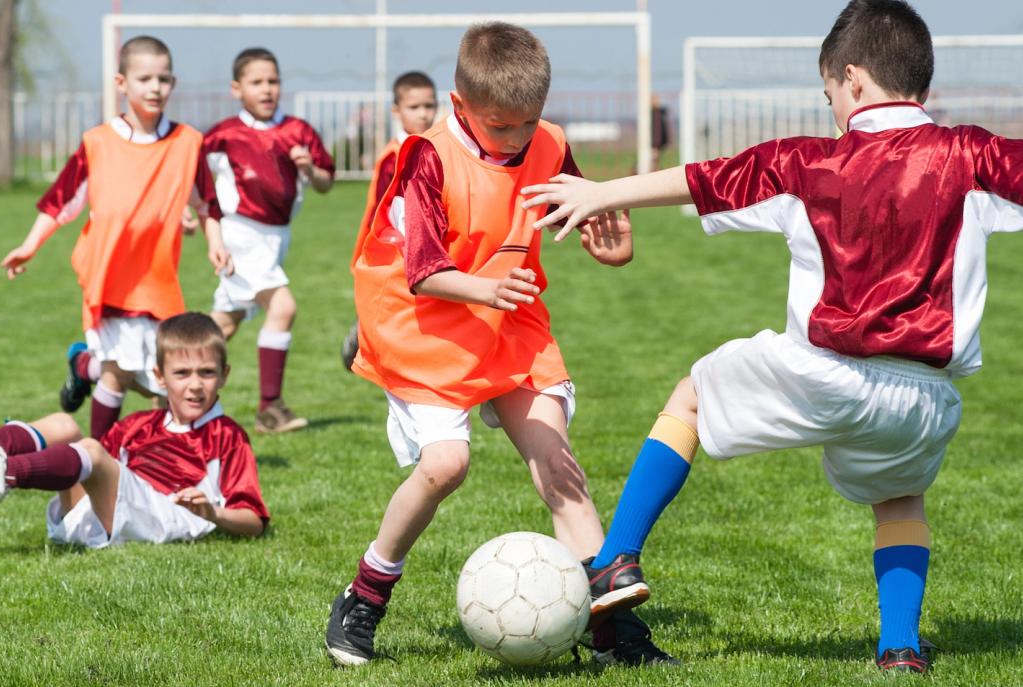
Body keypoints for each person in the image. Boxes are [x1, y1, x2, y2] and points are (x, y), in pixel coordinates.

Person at [521, 0, 1023, 673]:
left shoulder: (807, 163)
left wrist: (604, 193)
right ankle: (898, 645)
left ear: (854, 79)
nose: (832, 108)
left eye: (830, 94)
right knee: (900, 498)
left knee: (692, 395)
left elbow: (703, 181)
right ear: (920, 83)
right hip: (925, 398)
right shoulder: (972, 154)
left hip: (825, 371)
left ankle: (613, 561)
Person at [325, 22, 675, 668]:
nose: (517, 139)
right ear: (460, 107)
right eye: (499, 126)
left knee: (558, 463)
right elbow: (425, 270)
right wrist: (485, 291)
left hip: (509, 319)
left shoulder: (548, 143)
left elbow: (584, 212)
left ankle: (612, 632)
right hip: (424, 327)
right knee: (445, 465)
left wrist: (614, 248)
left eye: (527, 124)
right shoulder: (427, 158)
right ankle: (365, 594)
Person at [0, 36, 227, 441]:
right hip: (106, 275)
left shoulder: (188, 143)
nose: (155, 87)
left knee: (159, 379)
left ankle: (89, 376)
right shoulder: (98, 142)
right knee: (118, 375)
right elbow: (61, 202)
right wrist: (29, 246)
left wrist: (216, 242)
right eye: (144, 78)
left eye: (164, 78)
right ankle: (98, 458)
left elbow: (208, 203)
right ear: (122, 83)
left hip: (157, 280)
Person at [0, 312, 269, 547]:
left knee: (92, 450)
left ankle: (4, 474)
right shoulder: (139, 424)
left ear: (224, 375)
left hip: (165, 516)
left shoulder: (227, 435)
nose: (195, 384)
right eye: (182, 373)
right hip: (106, 514)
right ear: (160, 376)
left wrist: (213, 513)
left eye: (206, 372)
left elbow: (254, 522)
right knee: (64, 425)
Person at [202, 47, 336, 433]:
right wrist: (194, 217)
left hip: (277, 237)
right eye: (256, 82)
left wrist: (309, 170)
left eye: (272, 81)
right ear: (236, 88)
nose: (266, 89)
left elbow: (327, 183)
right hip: (240, 234)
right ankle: (269, 408)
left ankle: (164, 376)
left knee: (224, 325)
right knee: (283, 307)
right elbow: (193, 177)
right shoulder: (224, 134)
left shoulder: (298, 131)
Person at [341, 71, 439, 372]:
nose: (423, 114)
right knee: (399, 318)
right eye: (414, 107)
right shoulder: (394, 156)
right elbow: (383, 214)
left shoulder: (436, 148)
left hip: (423, 247)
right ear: (396, 111)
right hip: (391, 251)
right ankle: (362, 335)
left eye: (429, 105)